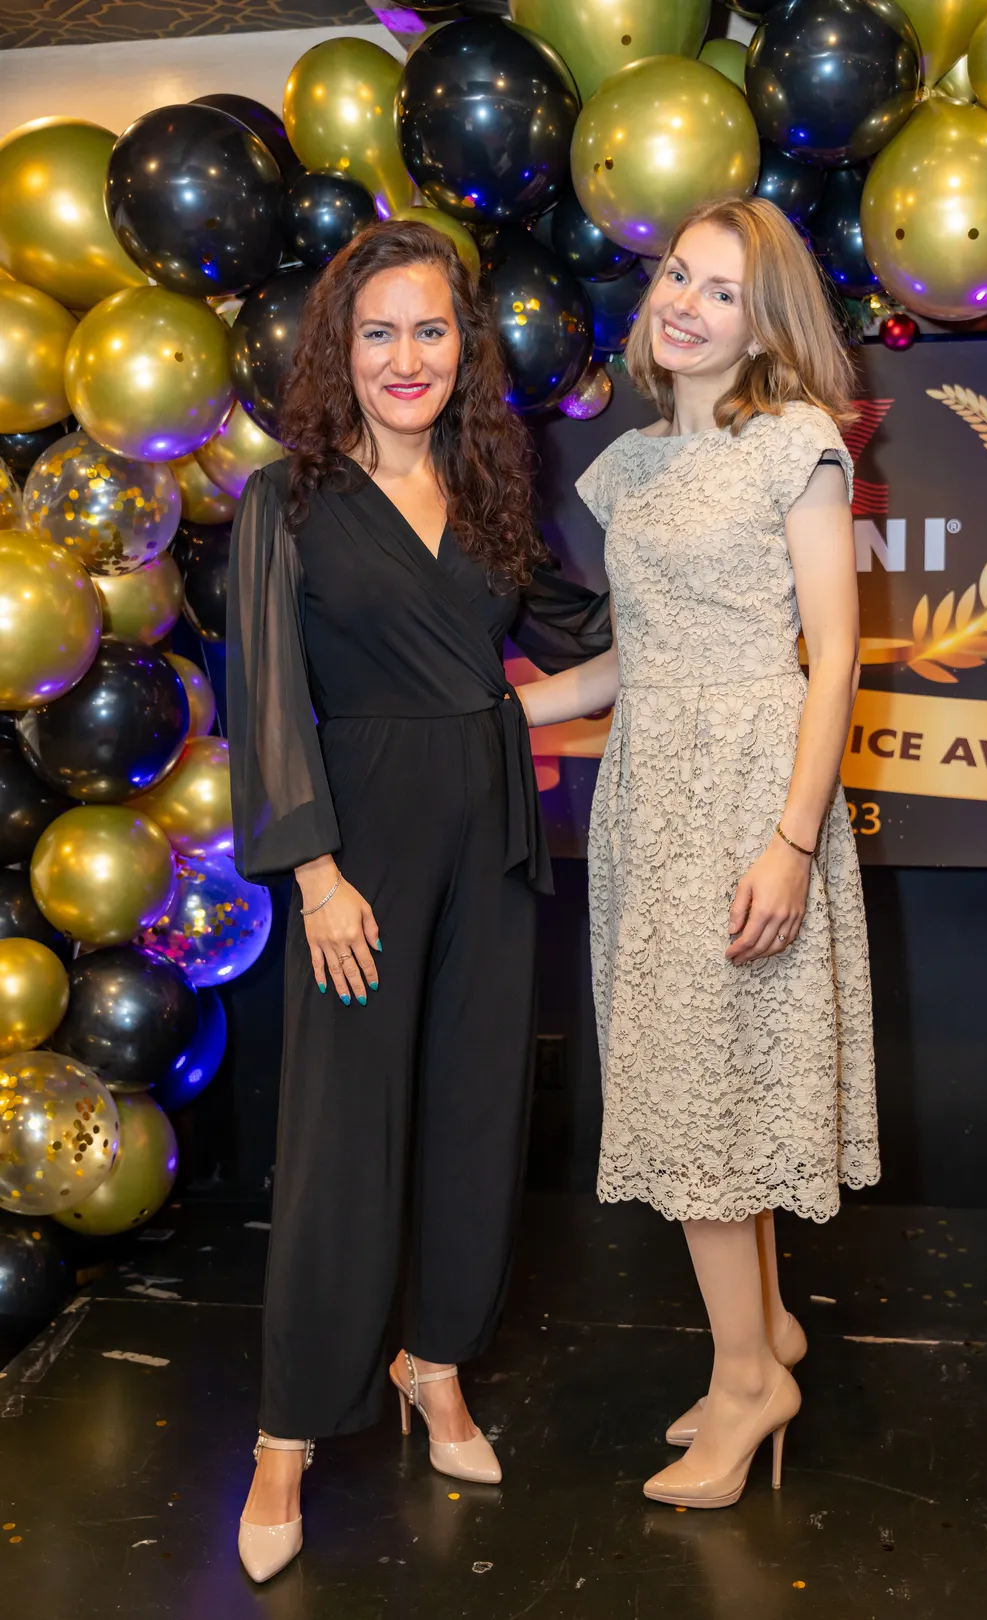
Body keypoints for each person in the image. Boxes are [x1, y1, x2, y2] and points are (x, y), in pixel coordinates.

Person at [226, 219, 610, 1581]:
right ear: (341, 348)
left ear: (466, 346)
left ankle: (432, 1364)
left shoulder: (499, 494)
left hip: (498, 840)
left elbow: (605, 646)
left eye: (430, 330)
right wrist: (316, 872)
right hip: (360, 858)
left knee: (472, 1116)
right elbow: (264, 699)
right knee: (342, 1141)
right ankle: (287, 1436)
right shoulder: (291, 501)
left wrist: (727, 608)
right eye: (377, 331)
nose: (406, 358)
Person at [517, 196, 880, 1509]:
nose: (686, 301)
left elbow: (831, 653)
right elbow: (634, 659)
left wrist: (789, 842)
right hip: (649, 797)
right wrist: (516, 709)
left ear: (764, 318)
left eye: (722, 290)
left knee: (708, 1100)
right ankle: (765, 1332)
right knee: (697, 1082)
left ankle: (748, 1384)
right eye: (680, 273)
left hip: (745, 793)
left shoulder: (795, 442)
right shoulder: (630, 466)